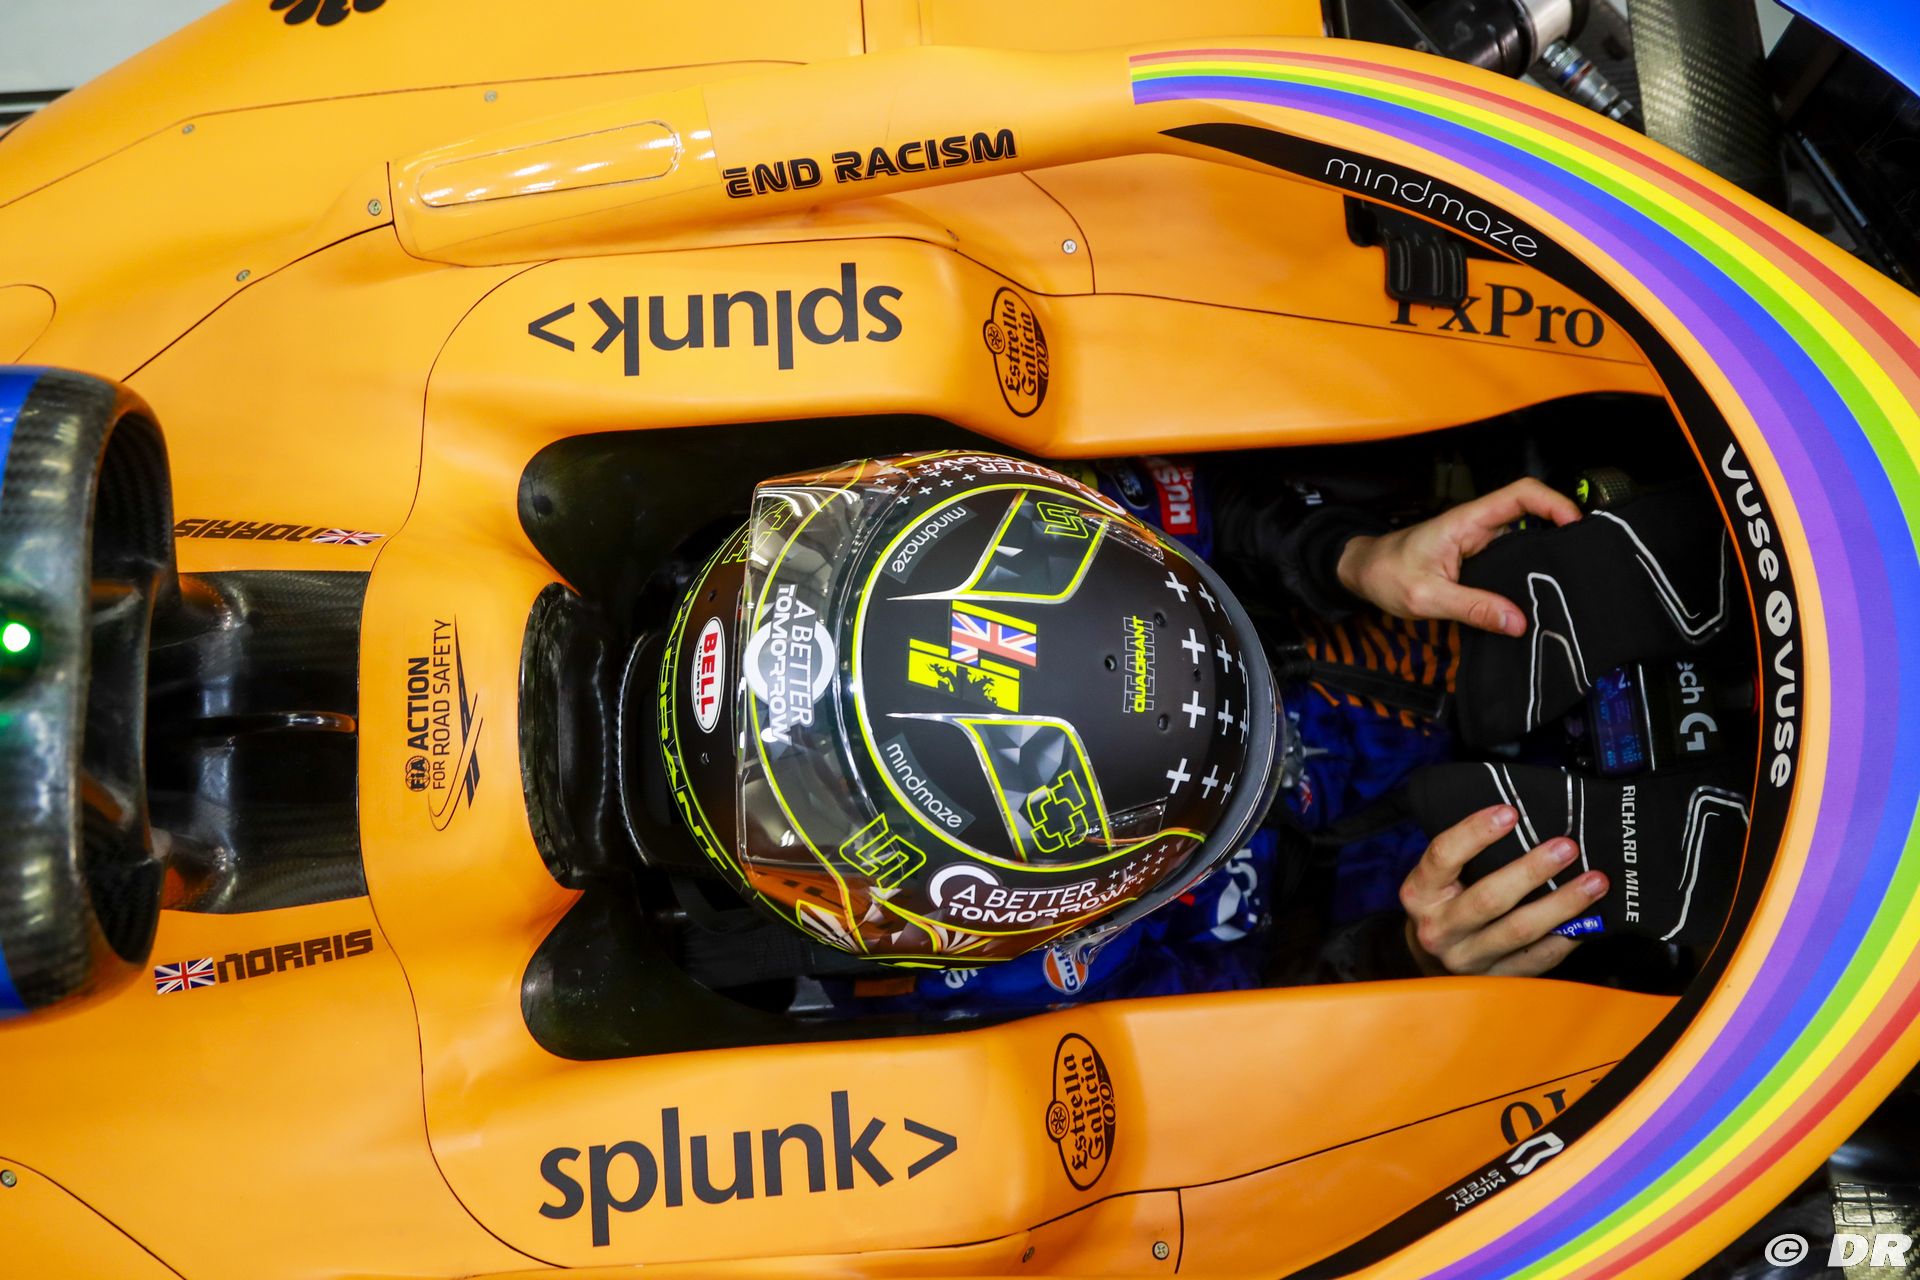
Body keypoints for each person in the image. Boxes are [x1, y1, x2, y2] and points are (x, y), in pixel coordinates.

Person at [652, 448, 1747, 1015]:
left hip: (1412, 636)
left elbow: (1198, 498)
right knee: (1624, 877)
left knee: (1571, 583)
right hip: (1415, 883)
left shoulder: (970, 520)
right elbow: (1241, 1071)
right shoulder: (1002, 974)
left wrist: (1352, 554)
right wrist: (1412, 958)